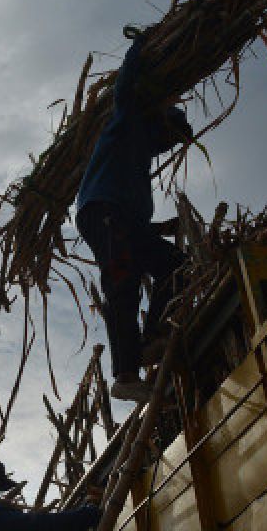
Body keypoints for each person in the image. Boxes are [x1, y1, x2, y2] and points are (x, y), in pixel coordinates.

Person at [75, 29, 193, 403]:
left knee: (176, 265)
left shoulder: (140, 159)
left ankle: (151, 338)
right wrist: (138, 48)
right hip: (102, 212)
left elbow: (135, 219)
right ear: (159, 121)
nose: (169, 143)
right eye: (171, 134)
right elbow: (124, 89)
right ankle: (125, 375)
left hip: (124, 221)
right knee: (122, 280)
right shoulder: (126, 125)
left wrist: (157, 229)